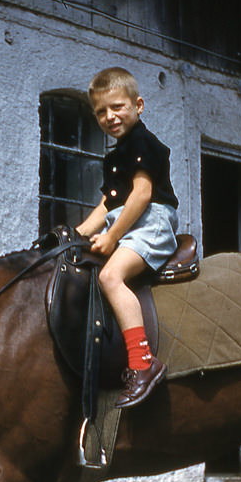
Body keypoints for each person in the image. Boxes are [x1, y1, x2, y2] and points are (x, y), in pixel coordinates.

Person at [75, 67, 179, 408]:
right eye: (101, 111)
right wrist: (77, 235)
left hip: (151, 223)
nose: (110, 116)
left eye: (117, 107)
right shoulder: (115, 156)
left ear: (139, 105)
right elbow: (108, 203)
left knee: (110, 275)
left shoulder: (145, 144)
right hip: (128, 222)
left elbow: (141, 195)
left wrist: (112, 238)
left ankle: (143, 363)